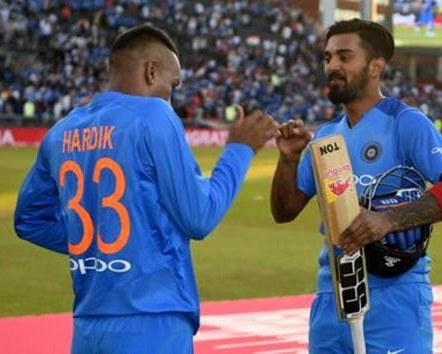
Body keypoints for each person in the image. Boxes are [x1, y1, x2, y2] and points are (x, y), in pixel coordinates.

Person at [14, 23, 278, 354]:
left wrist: (102, 247)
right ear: (151, 71)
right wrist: (240, 151)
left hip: (87, 328)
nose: (172, 95)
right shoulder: (154, 115)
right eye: (173, 84)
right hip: (153, 322)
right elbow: (200, 217)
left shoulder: (61, 131)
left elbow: (29, 221)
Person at [270, 19, 442, 353]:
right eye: (328, 58)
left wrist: (388, 219)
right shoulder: (325, 137)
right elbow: (285, 211)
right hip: (332, 296)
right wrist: (289, 160)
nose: (333, 65)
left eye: (345, 57)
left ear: (376, 67)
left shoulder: (406, 122)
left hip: (396, 296)